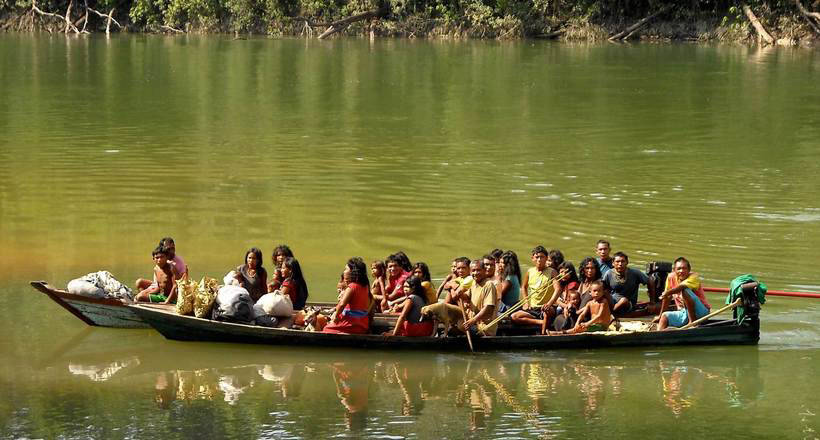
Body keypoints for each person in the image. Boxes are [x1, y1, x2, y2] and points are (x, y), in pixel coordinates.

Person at [510, 246, 561, 328]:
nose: (539, 260)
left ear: (546, 258)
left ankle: (544, 324)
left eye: (542, 257)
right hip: (533, 309)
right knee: (514, 316)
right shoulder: (530, 271)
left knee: (548, 312)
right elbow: (524, 287)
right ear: (532, 258)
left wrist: (549, 303)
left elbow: (558, 289)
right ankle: (540, 322)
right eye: (537, 257)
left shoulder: (552, 272)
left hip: (546, 308)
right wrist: (526, 302)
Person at [655, 257, 711, 330]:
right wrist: (660, 316)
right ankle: (658, 336)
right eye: (679, 269)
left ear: (689, 270)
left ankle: (692, 322)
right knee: (664, 316)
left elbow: (682, 287)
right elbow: (667, 298)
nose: (681, 271)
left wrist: (668, 292)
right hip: (684, 312)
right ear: (674, 270)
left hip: (701, 312)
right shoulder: (671, 277)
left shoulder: (694, 277)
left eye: (684, 268)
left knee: (685, 290)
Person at [325, 257, 372, 334]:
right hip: (363, 324)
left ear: (352, 272)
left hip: (351, 324)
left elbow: (342, 304)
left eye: (346, 269)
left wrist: (336, 317)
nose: (344, 272)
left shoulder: (352, 286)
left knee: (326, 329)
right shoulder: (365, 286)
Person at [455, 259, 498, 336]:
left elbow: (488, 307)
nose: (475, 273)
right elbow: (467, 297)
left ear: (484, 270)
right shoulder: (474, 283)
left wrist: (473, 320)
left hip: (484, 327)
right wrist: (461, 294)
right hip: (474, 324)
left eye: (478, 270)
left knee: (459, 326)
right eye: (473, 270)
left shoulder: (488, 285)